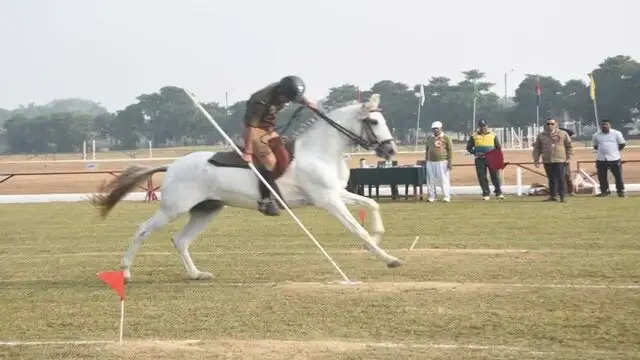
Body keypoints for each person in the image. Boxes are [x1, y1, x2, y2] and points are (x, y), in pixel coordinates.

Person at [242, 75, 315, 216]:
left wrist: (307, 103)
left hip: (269, 129)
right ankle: (265, 200)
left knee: (285, 155)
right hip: (254, 129)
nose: (288, 102)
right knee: (270, 161)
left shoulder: (286, 91)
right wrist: (248, 152)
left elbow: (296, 96)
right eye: (287, 99)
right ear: (281, 93)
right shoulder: (261, 100)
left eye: (291, 100)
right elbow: (251, 126)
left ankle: (279, 188)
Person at [532, 118, 573, 202]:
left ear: (556, 124)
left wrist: (569, 157)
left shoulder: (563, 134)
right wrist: (536, 159)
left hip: (560, 159)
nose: (550, 125)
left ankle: (562, 196)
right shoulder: (541, 135)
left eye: (552, 123)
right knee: (551, 179)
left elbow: (569, 146)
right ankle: (553, 196)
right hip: (547, 160)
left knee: (561, 178)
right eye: (548, 124)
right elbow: (537, 148)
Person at [466, 119, 503, 200]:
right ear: (479, 127)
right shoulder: (474, 136)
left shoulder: (493, 135)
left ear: (487, 126)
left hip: (492, 158)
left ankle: (498, 193)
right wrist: (475, 152)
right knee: (482, 177)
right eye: (481, 126)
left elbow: (498, 147)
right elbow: (468, 147)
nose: (483, 128)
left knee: (495, 176)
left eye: (484, 126)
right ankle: (486, 194)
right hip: (480, 159)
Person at [592, 119, 626, 197]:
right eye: (602, 125)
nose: (604, 126)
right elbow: (595, 146)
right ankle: (605, 191)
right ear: (600, 126)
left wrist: (614, 151)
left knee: (618, 176)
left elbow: (622, 144)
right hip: (601, 159)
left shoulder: (616, 133)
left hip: (614, 158)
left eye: (606, 124)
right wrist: (604, 151)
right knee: (602, 176)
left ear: (610, 125)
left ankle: (620, 191)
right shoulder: (596, 135)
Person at [424, 121, 453, 202]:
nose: (435, 130)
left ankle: (446, 196)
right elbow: (427, 150)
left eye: (437, 128)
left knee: (443, 179)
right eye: (433, 129)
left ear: (441, 128)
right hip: (430, 162)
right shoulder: (429, 138)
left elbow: (450, 150)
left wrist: (450, 162)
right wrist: (426, 161)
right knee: (430, 180)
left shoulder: (446, 137)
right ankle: (432, 196)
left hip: (442, 161)